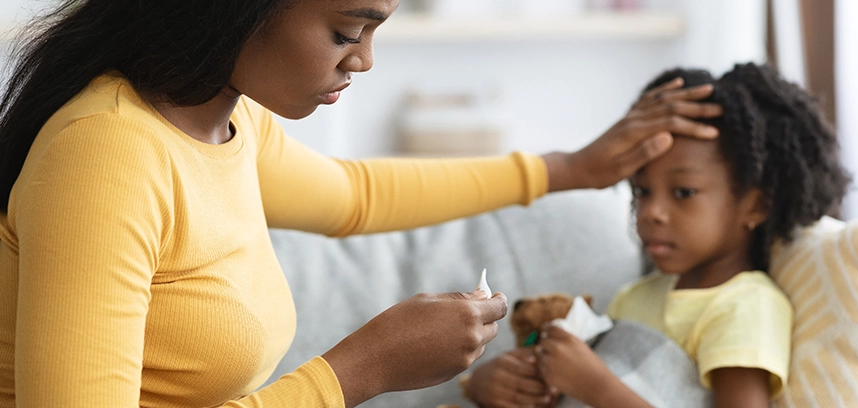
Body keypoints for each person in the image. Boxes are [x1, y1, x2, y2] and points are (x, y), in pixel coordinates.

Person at [0, 0, 725, 406]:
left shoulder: (224, 116)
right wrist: (359, 370)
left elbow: (353, 195)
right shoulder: (105, 156)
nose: (365, 59)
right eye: (347, 31)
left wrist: (568, 168)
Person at [464, 63, 852, 408]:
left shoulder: (745, 305)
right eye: (642, 191)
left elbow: (594, 387)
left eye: (683, 193)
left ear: (755, 206)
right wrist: (489, 384)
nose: (652, 212)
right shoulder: (635, 296)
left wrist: (595, 386)